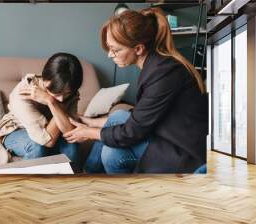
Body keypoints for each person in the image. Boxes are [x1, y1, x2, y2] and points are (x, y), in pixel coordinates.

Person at [63, 8, 208, 174]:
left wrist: (89, 132)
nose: (110, 55)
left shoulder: (164, 73)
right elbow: (141, 115)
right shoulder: (156, 66)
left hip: (182, 149)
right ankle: (88, 174)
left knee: (112, 153)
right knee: (117, 118)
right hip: (166, 134)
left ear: (138, 49)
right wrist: (91, 122)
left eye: (115, 50)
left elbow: (133, 131)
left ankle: (92, 177)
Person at [0, 52, 83, 170]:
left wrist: (52, 101)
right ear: (45, 79)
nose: (61, 98)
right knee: (37, 147)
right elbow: (47, 141)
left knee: (73, 146)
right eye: (57, 93)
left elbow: (70, 132)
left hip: (51, 132)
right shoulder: (23, 92)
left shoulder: (70, 92)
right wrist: (57, 105)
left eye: (66, 94)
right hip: (15, 131)